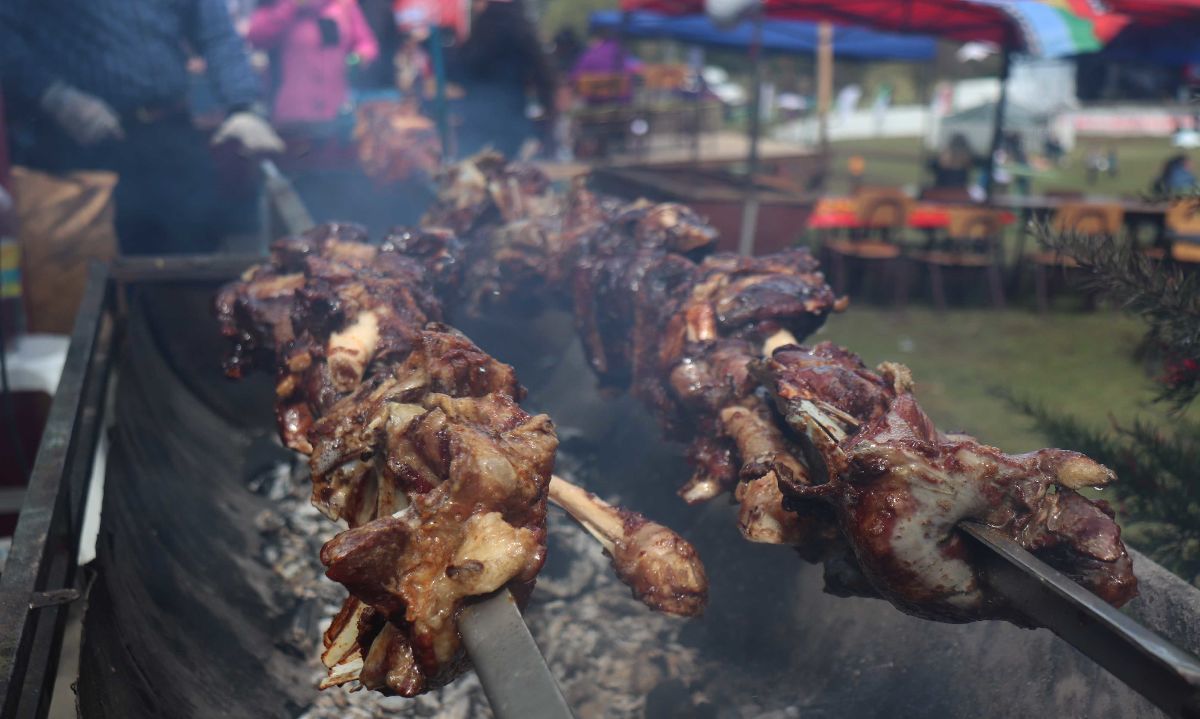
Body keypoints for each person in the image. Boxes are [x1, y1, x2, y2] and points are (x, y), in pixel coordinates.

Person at [0, 0, 284, 255]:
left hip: (171, 136)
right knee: (90, 278)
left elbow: (217, 35)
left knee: (193, 258)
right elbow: (6, 36)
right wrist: (54, 95)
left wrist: (243, 106)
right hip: (80, 148)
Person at [448, 0, 557, 158]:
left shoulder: (487, 24)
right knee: (504, 165)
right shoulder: (521, 24)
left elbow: (467, 65)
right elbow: (540, 67)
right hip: (511, 112)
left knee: (475, 164)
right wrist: (548, 105)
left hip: (484, 113)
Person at [248, 0, 379, 126]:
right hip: (292, 116)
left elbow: (367, 44)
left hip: (336, 114)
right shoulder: (277, 5)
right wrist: (292, 5)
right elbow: (257, 37)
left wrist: (356, 59)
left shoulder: (342, 5)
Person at [569, 27, 642, 104]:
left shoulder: (588, 56)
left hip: (594, 104)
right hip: (621, 105)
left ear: (597, 39)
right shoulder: (623, 54)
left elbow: (574, 79)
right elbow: (638, 70)